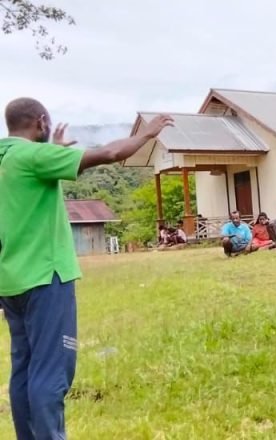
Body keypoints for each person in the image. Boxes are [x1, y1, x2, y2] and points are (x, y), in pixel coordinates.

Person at [0, 98, 172, 439]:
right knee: (51, 371)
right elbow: (109, 154)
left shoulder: (10, 159)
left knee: (23, 369)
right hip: (46, 278)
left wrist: (53, 150)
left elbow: (30, 188)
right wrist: (148, 134)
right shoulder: (34, 157)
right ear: (41, 121)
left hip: (10, 282)